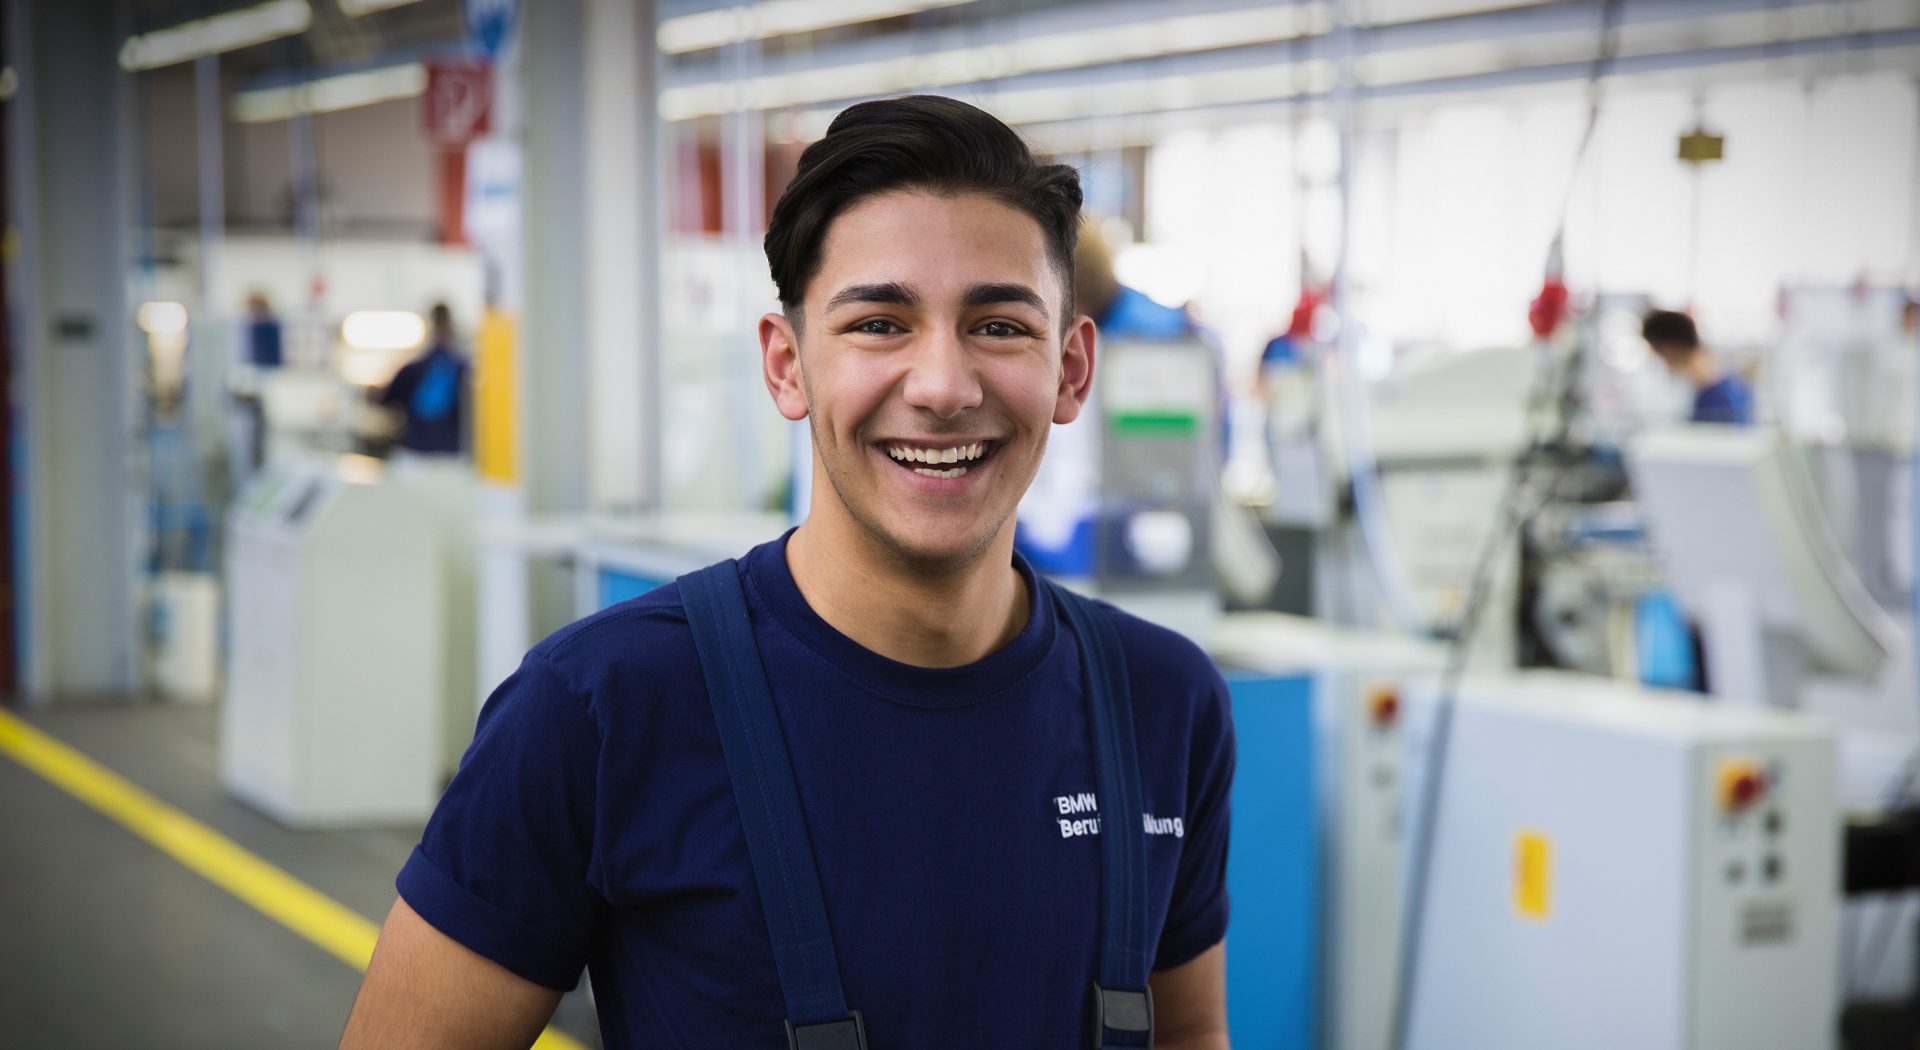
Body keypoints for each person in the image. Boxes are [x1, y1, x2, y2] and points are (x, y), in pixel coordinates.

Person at [339, 96, 1234, 1049]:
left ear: (1070, 370)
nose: (941, 385)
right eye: (880, 323)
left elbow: (1185, 1034)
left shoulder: (1163, 703)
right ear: (786, 365)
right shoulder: (598, 710)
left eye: (999, 326)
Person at [373, 303, 470, 456]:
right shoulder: (463, 368)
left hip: (419, 450)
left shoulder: (415, 368)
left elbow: (384, 399)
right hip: (451, 452)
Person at [1642, 308, 1753, 425]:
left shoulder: (1715, 394)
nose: (1659, 359)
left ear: (1670, 347)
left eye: (1658, 351)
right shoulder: (1726, 381)